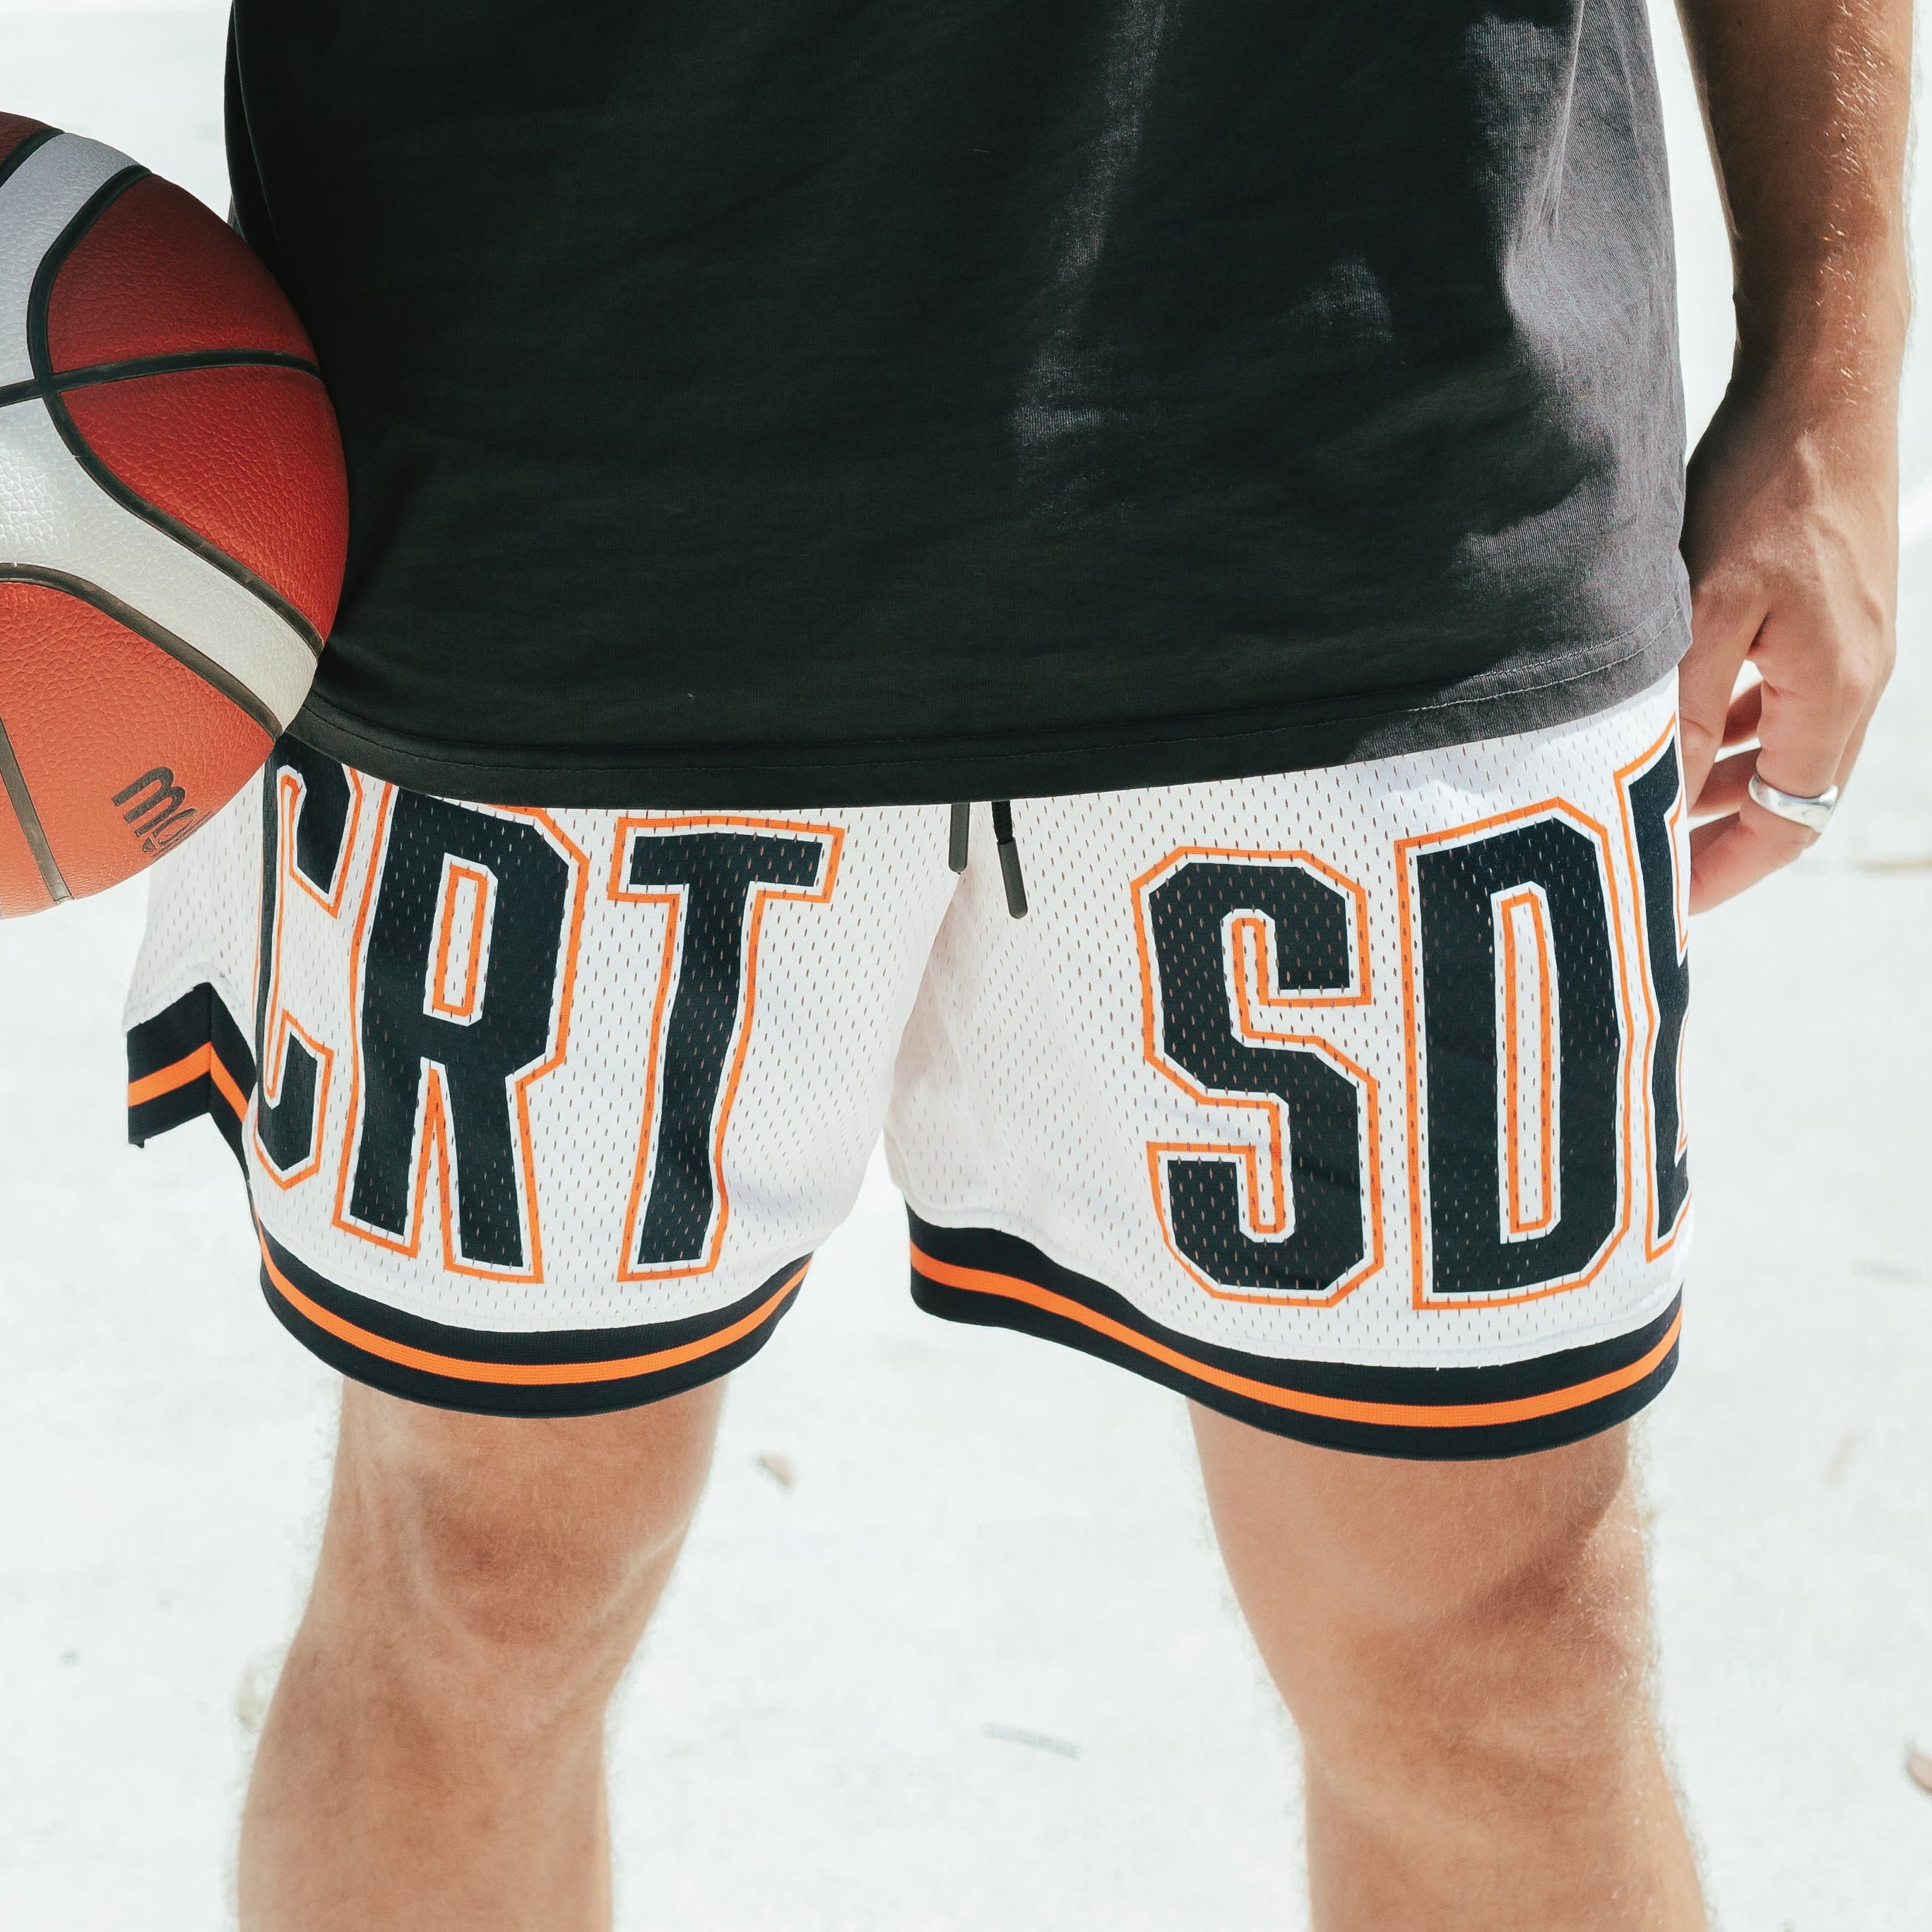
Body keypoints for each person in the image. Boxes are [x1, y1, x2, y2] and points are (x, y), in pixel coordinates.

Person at [117, 0, 1907, 1924]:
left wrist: (1838, 375)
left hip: (1384, 390)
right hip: (540, 411)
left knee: (1499, 1658)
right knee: (477, 1587)